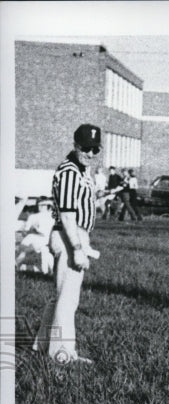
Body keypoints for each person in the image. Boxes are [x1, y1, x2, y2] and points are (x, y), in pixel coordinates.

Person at [34, 123, 101, 365]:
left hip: (76, 234)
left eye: (95, 149)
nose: (91, 154)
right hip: (68, 235)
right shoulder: (70, 171)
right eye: (86, 148)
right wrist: (77, 249)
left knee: (61, 294)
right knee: (68, 298)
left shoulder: (82, 170)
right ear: (75, 145)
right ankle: (61, 353)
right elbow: (67, 215)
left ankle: (42, 344)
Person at [16, 198, 55, 274]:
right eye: (40, 205)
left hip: (43, 240)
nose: (40, 207)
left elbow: (26, 232)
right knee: (43, 252)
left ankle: (46, 271)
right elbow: (26, 231)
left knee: (44, 252)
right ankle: (47, 271)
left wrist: (32, 231)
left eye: (42, 205)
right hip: (41, 240)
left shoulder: (51, 216)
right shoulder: (34, 217)